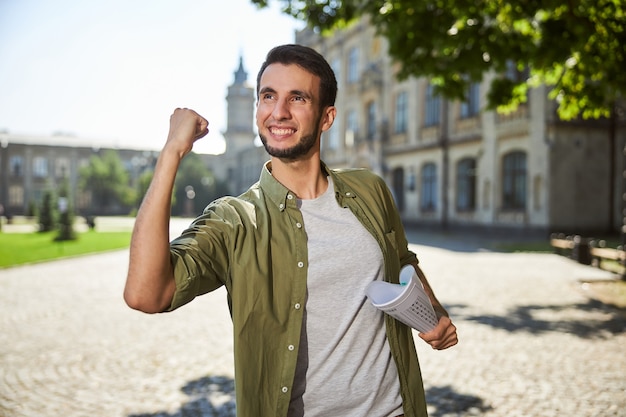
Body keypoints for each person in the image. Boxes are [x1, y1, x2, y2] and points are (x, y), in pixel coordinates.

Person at [124, 44, 458, 417]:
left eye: (297, 98)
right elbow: (145, 294)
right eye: (268, 96)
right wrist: (171, 153)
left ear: (326, 117)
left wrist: (434, 312)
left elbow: (401, 260)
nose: (278, 112)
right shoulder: (234, 220)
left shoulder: (371, 189)